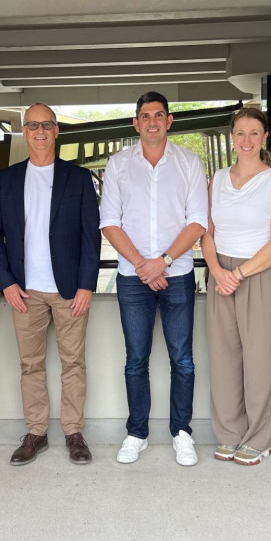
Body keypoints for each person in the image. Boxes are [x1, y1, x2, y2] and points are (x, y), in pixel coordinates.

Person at [0, 103, 100, 465]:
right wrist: (5, 282)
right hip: (24, 290)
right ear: (24, 131)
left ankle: (73, 433)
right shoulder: (6, 179)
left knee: (74, 363)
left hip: (70, 290)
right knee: (30, 364)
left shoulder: (78, 178)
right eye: (32, 125)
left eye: (46, 125)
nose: (39, 131)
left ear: (56, 130)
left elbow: (91, 236)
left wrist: (86, 285)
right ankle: (36, 432)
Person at [101, 91, 208, 466]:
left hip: (177, 275)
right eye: (145, 116)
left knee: (183, 359)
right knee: (136, 359)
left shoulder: (189, 163)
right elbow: (109, 222)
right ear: (136, 123)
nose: (152, 122)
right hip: (133, 279)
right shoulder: (118, 165)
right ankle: (137, 433)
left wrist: (161, 262)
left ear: (169, 121)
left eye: (159, 115)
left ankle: (182, 433)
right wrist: (143, 265)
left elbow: (198, 222)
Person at [201, 107, 271, 465]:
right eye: (240, 132)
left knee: (260, 358)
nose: (247, 140)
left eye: (254, 132)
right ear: (232, 137)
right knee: (223, 357)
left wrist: (237, 275)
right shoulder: (218, 179)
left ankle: (259, 438)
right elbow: (207, 233)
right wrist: (217, 270)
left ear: (265, 136)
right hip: (219, 273)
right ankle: (229, 434)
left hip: (257, 273)